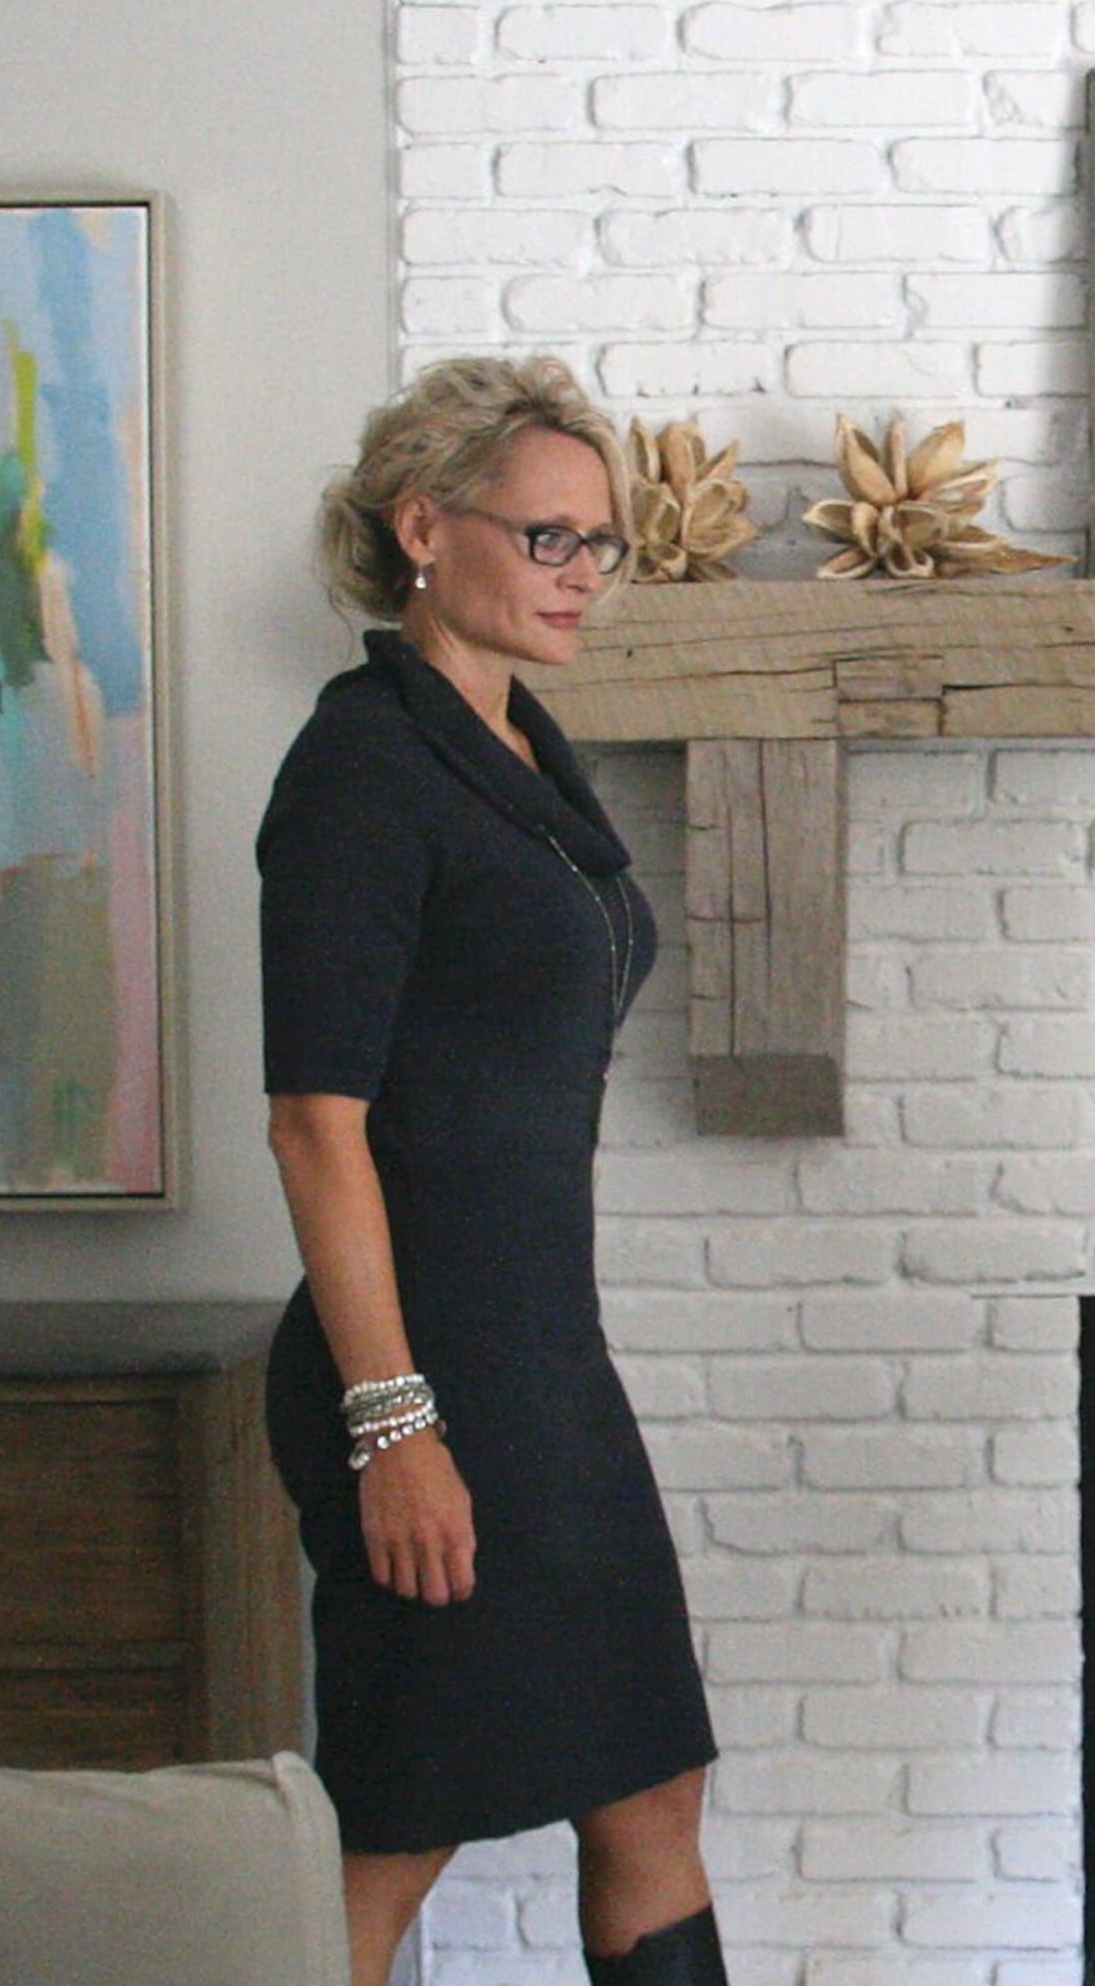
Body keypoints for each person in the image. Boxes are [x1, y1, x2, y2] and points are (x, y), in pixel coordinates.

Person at [258, 356, 728, 1986]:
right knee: (401, 1826)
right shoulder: (363, 768)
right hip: (424, 1378)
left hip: (540, 1364)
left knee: (649, 1790)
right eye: (548, 539)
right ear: (421, 529)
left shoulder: (520, 746)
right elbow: (315, 1121)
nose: (584, 576)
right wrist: (394, 1424)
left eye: (603, 545)